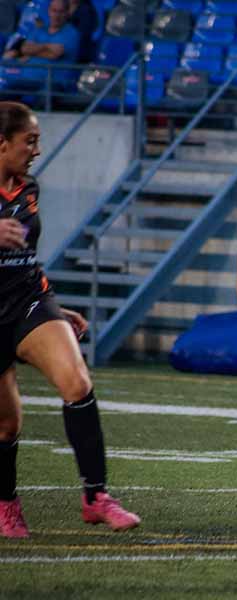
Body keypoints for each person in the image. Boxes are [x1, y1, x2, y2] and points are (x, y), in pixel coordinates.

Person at [0, 102, 140, 538]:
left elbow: (25, 256)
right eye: (31, 141)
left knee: (77, 383)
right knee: (7, 425)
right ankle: (6, 505)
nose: (37, 150)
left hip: (29, 300)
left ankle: (96, 497)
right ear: (2, 144)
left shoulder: (28, 188)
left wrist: (57, 309)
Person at [3, 0, 79, 65]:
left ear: (67, 13)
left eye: (61, 12)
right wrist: (47, 46)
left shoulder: (72, 33)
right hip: (27, 78)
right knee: (7, 57)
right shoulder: (39, 30)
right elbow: (24, 49)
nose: (57, 15)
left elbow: (56, 54)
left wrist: (32, 52)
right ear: (49, 11)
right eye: (54, 11)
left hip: (52, 79)